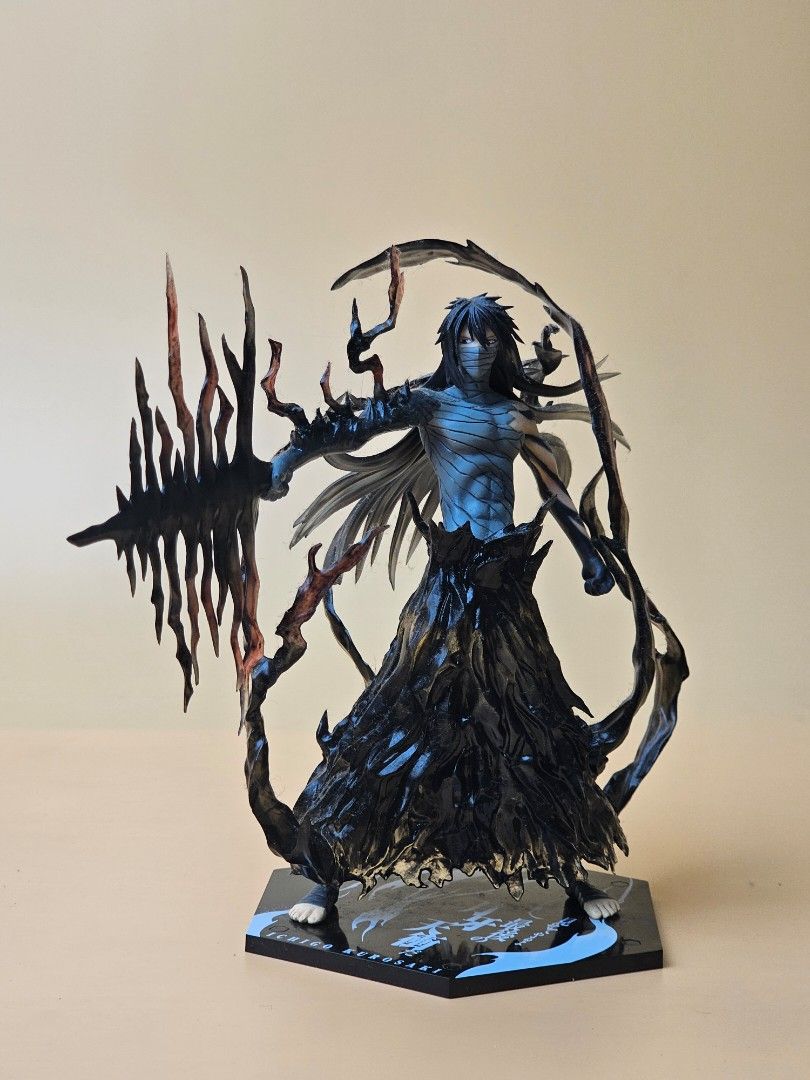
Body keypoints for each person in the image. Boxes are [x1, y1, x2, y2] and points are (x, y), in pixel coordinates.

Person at [264, 295, 627, 925]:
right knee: (397, 717)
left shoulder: (514, 413)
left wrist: (589, 555)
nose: (478, 349)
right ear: (450, 346)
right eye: (466, 338)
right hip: (451, 579)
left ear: (501, 345)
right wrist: (284, 463)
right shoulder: (428, 404)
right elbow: (352, 427)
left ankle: (570, 873)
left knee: (531, 720)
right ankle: (326, 879)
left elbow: (553, 487)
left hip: (505, 580)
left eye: (488, 338)